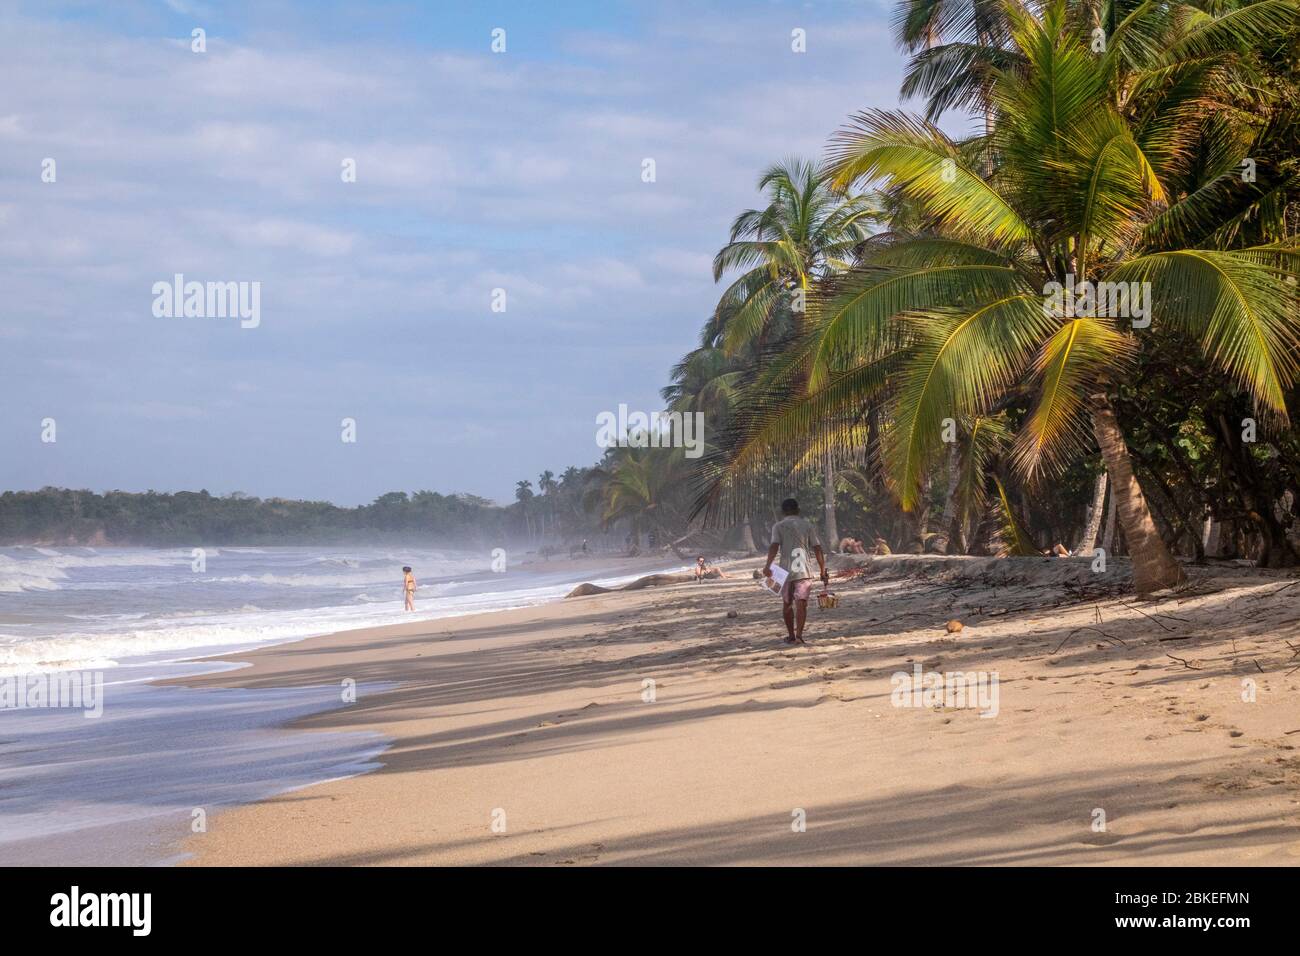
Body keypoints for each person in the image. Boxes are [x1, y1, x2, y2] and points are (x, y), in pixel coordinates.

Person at [763, 498, 829, 645]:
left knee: (787, 604)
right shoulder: (807, 525)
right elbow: (817, 548)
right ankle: (799, 635)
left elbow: (774, 546)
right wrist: (822, 570)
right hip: (804, 570)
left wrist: (767, 566)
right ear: (798, 510)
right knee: (801, 603)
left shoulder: (778, 526)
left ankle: (791, 635)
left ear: (782, 512)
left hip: (784, 571)